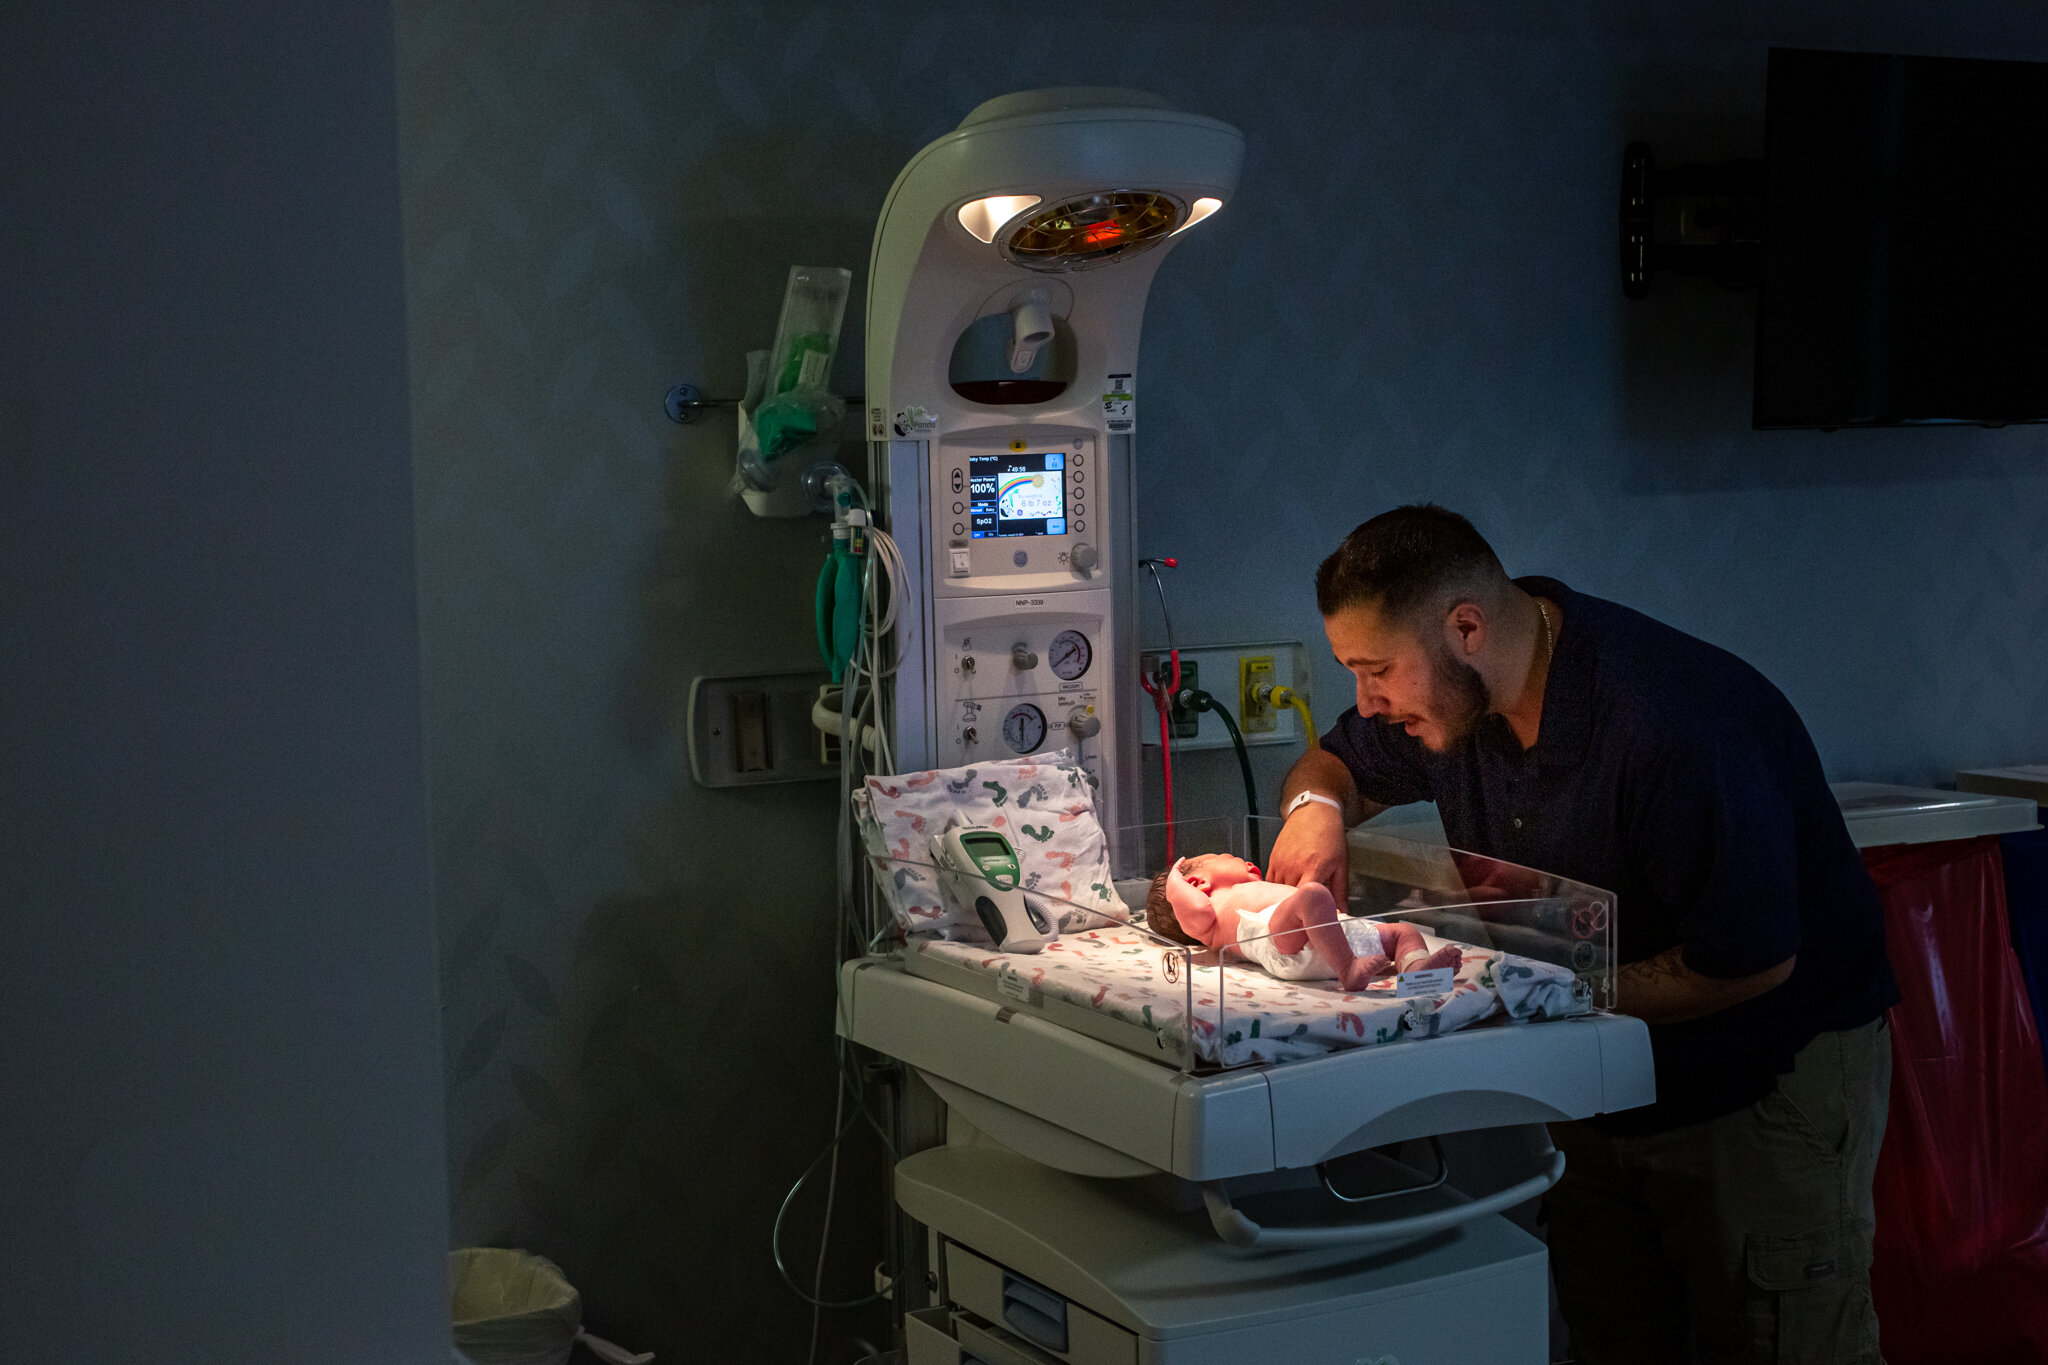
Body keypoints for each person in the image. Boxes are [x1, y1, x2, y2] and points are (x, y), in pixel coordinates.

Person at [1265, 504, 1898, 1365]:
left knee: (1769, 1332)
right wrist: (1316, 812)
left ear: (1466, 627)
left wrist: (1526, 990)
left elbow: (1747, 960)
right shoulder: (1459, 702)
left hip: (1763, 1071)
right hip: (1598, 1079)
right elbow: (1334, 761)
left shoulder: (1667, 725)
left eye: (1377, 671)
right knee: (1614, 1327)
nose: (1366, 700)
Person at [1143, 852, 1462, 989]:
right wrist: (1173, 883)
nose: (1243, 859)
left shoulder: (1242, 890)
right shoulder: (1207, 915)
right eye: (1227, 858)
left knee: (1403, 931)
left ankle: (1418, 972)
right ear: (1197, 884)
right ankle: (1348, 969)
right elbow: (1193, 909)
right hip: (1281, 942)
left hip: (1332, 930)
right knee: (1312, 895)